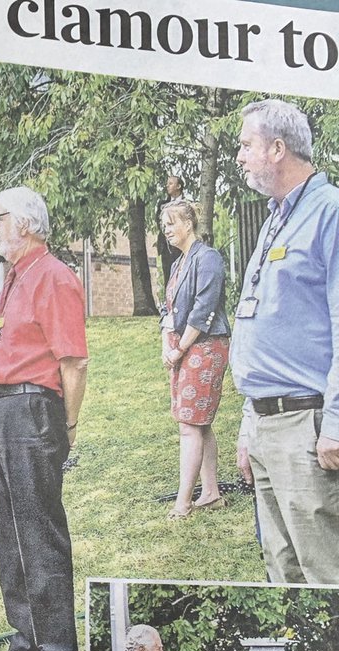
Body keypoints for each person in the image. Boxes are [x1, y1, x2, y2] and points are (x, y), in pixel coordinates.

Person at [0, 186, 88, 651]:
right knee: (8, 527)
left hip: (31, 408)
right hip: (1, 408)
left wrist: (68, 425)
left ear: (25, 223)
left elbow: (74, 361)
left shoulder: (53, 276)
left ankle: (58, 645)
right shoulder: (17, 277)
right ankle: (25, 636)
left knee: (38, 527)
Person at [232, 98, 339, 585]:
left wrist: (335, 423)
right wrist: (247, 424)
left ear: (278, 148)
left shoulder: (329, 211)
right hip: (265, 422)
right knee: (282, 574)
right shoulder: (276, 216)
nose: (240, 156)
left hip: (307, 425)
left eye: (246, 145)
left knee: (324, 575)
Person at [159, 200, 231, 519]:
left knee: (190, 425)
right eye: (164, 226)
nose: (167, 230)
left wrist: (179, 348)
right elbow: (168, 309)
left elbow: (204, 309)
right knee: (199, 423)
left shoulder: (208, 257)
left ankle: (183, 503)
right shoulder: (177, 264)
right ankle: (211, 494)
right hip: (183, 346)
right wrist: (166, 342)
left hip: (206, 345)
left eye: (172, 223)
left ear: (189, 224)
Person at [155, 175, 186, 285]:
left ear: (179, 186)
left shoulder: (186, 204)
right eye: (167, 183)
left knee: (183, 277)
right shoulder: (162, 205)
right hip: (166, 248)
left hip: (182, 247)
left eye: (171, 183)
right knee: (168, 278)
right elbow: (159, 223)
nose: (167, 186)